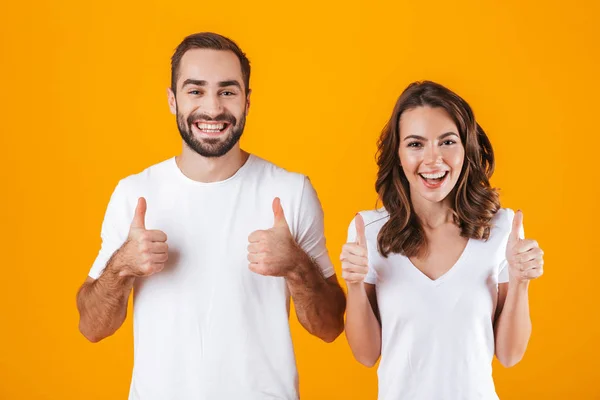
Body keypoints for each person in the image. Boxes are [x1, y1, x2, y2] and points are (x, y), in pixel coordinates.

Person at [76, 32, 346, 400]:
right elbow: (92, 327)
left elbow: (330, 327)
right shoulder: (133, 193)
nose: (213, 108)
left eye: (228, 91)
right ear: (173, 100)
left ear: (247, 102)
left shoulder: (291, 191)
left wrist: (296, 266)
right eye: (196, 90)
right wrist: (121, 266)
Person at [342, 81, 544, 400]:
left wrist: (521, 283)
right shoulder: (368, 232)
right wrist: (354, 284)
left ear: (466, 147)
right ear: (397, 154)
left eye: (447, 142)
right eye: (416, 144)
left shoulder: (501, 228)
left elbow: (509, 355)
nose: (433, 160)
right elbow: (366, 355)